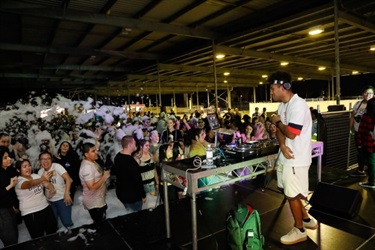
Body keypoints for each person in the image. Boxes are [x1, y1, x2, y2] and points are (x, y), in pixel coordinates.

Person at [269, 71, 317, 245]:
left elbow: (291, 132)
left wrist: (276, 122)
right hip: (286, 155)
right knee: (286, 189)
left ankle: (299, 230)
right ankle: (305, 219)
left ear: (284, 87)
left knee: (293, 194)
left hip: (297, 159)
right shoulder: (282, 106)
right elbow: (281, 132)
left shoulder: (298, 105)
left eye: (273, 89)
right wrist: (282, 145)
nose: (271, 92)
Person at [15, 159, 57, 239]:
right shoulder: (18, 181)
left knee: (53, 232)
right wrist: (42, 178)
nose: (28, 168)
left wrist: (51, 189)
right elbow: (29, 184)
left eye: (29, 165)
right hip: (31, 212)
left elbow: (47, 184)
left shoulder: (35, 176)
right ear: (18, 170)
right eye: (24, 166)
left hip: (45, 207)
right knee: (38, 238)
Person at [38, 151, 74, 230]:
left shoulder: (56, 166)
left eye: (48, 159)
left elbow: (68, 179)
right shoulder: (40, 172)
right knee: (53, 224)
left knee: (67, 222)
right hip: (50, 202)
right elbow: (43, 187)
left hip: (62, 198)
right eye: (43, 159)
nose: (45, 161)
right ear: (39, 161)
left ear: (51, 160)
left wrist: (67, 194)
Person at [112, 136, 146, 212]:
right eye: (134, 143)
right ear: (130, 145)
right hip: (133, 197)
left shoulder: (118, 156)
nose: (135, 145)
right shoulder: (131, 162)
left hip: (122, 194)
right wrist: (143, 195)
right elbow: (137, 180)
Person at [79, 142, 110, 224]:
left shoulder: (93, 161)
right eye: (93, 151)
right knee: (100, 224)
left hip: (99, 200)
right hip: (94, 203)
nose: (96, 152)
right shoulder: (87, 168)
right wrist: (104, 177)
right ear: (86, 154)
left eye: (96, 150)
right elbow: (91, 187)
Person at [350, 85, 375, 177]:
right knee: (360, 151)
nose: (368, 95)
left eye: (370, 93)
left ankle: (370, 174)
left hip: (370, 134)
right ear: (362, 94)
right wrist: (351, 128)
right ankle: (361, 170)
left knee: (370, 154)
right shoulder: (357, 104)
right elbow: (352, 116)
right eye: (366, 93)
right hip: (359, 132)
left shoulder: (373, 105)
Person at [0, 146, 19, 246]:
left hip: (8, 207)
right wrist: (10, 185)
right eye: (5, 157)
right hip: (1, 211)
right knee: (9, 238)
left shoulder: (9, 170)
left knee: (14, 235)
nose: (9, 159)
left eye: (8, 156)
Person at [356, 98, 375, 188]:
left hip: (369, 144)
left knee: (371, 163)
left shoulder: (366, 117)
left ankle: (372, 182)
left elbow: (361, 131)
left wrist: (359, 142)